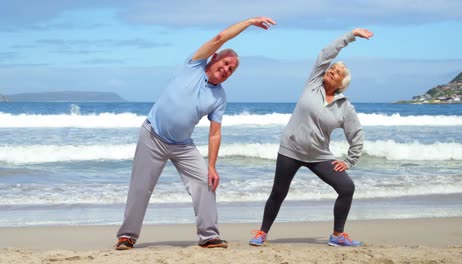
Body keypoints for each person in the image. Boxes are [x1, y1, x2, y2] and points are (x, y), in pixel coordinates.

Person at [115, 16, 276, 250]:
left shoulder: (219, 97)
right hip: (152, 136)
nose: (226, 69)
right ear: (214, 57)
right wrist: (250, 22)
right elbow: (220, 37)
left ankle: (209, 236)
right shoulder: (193, 65)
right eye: (225, 63)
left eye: (231, 69)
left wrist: (212, 166)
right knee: (140, 187)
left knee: (205, 182)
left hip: (183, 145)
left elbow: (214, 133)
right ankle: (127, 236)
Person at [249, 28, 373, 247]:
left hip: (318, 155)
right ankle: (262, 232)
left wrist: (349, 160)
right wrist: (350, 36)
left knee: (346, 188)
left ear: (341, 83)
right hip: (291, 149)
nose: (332, 70)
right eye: (332, 68)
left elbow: (357, 134)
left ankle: (337, 235)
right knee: (278, 192)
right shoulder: (313, 83)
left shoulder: (345, 107)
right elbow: (326, 54)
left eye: (337, 72)